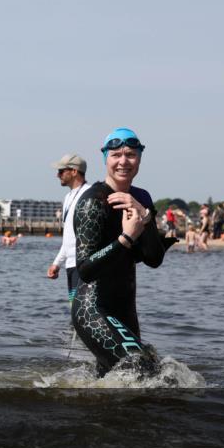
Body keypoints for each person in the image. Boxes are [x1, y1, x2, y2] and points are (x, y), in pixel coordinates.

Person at [72, 128, 168, 376]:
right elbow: (85, 269)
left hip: (125, 309)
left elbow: (154, 259)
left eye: (131, 155)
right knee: (141, 369)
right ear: (105, 158)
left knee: (127, 378)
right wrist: (125, 239)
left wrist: (145, 216)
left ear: (139, 158)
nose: (123, 161)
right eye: (116, 155)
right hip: (93, 309)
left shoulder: (142, 197)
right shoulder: (93, 201)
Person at [46, 154, 90, 308]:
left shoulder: (90, 194)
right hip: (71, 266)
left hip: (85, 266)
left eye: (61, 171)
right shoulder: (67, 197)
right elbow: (69, 238)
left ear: (74, 171)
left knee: (84, 311)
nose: (57, 175)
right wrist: (57, 263)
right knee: (74, 311)